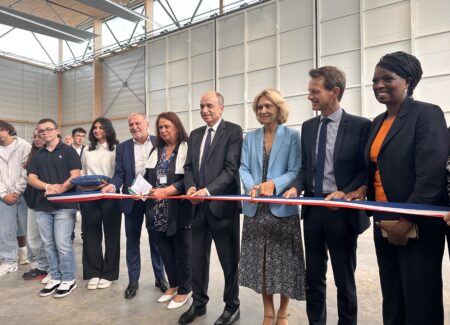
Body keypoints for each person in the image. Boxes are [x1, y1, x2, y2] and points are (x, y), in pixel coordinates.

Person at [346, 51, 448, 325]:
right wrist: (362, 187)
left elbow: (431, 174)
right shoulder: (377, 123)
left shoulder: (427, 114)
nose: (378, 85)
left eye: (387, 78)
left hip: (418, 224)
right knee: (392, 296)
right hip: (384, 220)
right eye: (374, 80)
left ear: (408, 80)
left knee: (420, 300)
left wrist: (407, 219)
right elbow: (377, 167)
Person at [284, 66, 371, 325]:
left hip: (342, 212)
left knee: (344, 279)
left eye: (315, 91)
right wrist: (295, 186)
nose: (309, 96)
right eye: (309, 91)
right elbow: (304, 167)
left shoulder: (359, 126)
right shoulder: (309, 126)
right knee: (314, 277)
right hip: (313, 211)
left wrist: (346, 193)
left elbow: (364, 170)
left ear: (335, 91)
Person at [239, 89, 306, 325]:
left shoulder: (293, 137)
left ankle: (282, 313)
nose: (263, 111)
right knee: (262, 264)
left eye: (268, 106)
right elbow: (243, 168)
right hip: (256, 209)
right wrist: (252, 187)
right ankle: (268, 312)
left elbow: (295, 170)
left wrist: (273, 185)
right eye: (259, 107)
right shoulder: (250, 137)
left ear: (279, 109)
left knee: (284, 263)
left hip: (282, 210)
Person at [179, 91, 242, 325]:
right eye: (201, 106)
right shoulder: (194, 135)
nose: (204, 110)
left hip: (222, 208)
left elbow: (231, 169)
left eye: (209, 106)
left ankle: (232, 306)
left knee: (228, 260)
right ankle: (199, 303)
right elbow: (188, 168)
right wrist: (192, 187)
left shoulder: (233, 132)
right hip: (197, 209)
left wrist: (207, 191)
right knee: (197, 259)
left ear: (221, 108)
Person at [102, 112, 167, 299]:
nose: (134, 127)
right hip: (132, 200)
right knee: (132, 242)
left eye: (138, 123)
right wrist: (112, 185)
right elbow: (119, 174)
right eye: (131, 124)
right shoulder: (122, 148)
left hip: (155, 200)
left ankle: (160, 277)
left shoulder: (159, 142)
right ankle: (133, 281)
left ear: (146, 124)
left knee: (157, 241)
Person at [28, 118, 81, 298]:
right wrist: (48, 187)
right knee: (48, 244)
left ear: (57, 130)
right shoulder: (38, 155)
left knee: (63, 244)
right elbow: (32, 178)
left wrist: (60, 189)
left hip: (65, 205)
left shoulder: (69, 152)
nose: (45, 133)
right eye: (41, 131)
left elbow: (75, 175)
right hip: (43, 207)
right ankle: (55, 277)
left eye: (48, 129)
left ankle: (68, 278)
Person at [144, 112, 192, 309]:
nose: (163, 131)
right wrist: (139, 190)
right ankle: (173, 285)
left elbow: (189, 177)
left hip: (178, 208)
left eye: (167, 127)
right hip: (157, 209)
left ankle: (185, 289)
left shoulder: (187, 148)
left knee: (182, 251)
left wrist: (168, 190)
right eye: (160, 127)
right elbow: (148, 176)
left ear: (177, 127)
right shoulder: (156, 150)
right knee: (165, 250)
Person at [79, 118, 121, 290]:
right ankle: (93, 272)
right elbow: (82, 170)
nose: (97, 130)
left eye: (101, 127)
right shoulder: (87, 150)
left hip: (110, 195)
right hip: (89, 194)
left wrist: (110, 184)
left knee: (112, 235)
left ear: (108, 129)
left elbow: (120, 172)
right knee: (90, 234)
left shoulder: (116, 149)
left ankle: (109, 273)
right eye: (94, 128)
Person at [0, 120, 31, 276]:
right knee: (5, 229)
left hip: (23, 193)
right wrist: (3, 194)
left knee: (27, 227)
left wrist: (17, 191)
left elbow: (27, 171)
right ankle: (8, 261)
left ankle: (31, 257)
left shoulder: (24, 146)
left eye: (1, 130)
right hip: (3, 195)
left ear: (7, 130)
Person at [22, 130, 50, 282]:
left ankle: (47, 267)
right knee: (33, 237)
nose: (37, 139)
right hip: (32, 201)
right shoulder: (31, 156)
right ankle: (41, 266)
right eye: (34, 137)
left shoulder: (51, 155)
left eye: (40, 136)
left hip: (47, 200)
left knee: (47, 238)